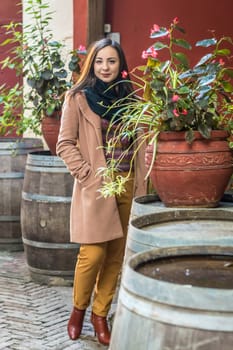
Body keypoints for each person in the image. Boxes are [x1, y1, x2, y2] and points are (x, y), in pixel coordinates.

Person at [56, 38, 147, 346]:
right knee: (92, 253)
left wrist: (143, 185)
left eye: (111, 61)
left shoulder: (132, 98)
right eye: (99, 61)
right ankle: (78, 311)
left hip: (127, 183)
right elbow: (64, 144)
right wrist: (86, 174)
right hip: (96, 187)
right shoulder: (78, 98)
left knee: (115, 257)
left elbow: (142, 144)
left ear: (120, 64)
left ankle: (100, 315)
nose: (105, 67)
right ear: (91, 64)